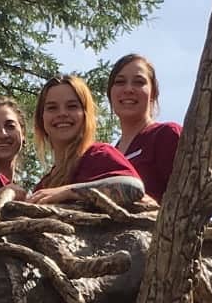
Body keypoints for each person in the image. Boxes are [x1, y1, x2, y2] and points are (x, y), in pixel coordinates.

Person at [28, 75, 145, 206]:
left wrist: (68, 191)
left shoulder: (98, 155)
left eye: (72, 106)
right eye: (52, 108)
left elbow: (134, 188)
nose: (62, 113)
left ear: (85, 115)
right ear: (41, 118)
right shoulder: (43, 186)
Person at [107, 54, 182, 202]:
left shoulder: (166, 135)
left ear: (153, 93)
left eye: (139, 82)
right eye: (120, 82)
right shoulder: (109, 153)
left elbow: (187, 199)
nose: (128, 89)